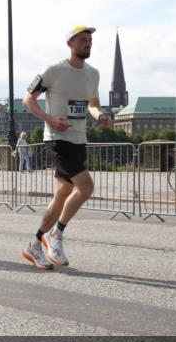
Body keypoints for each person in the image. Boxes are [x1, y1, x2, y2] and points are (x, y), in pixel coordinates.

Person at [21, 25, 112, 270]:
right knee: (86, 187)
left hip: (79, 139)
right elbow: (28, 99)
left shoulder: (93, 74)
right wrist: (50, 119)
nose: (88, 43)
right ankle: (56, 235)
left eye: (90, 40)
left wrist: (100, 115)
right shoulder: (53, 71)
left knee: (62, 194)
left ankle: (35, 244)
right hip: (57, 138)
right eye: (83, 40)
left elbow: (92, 104)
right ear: (70, 43)